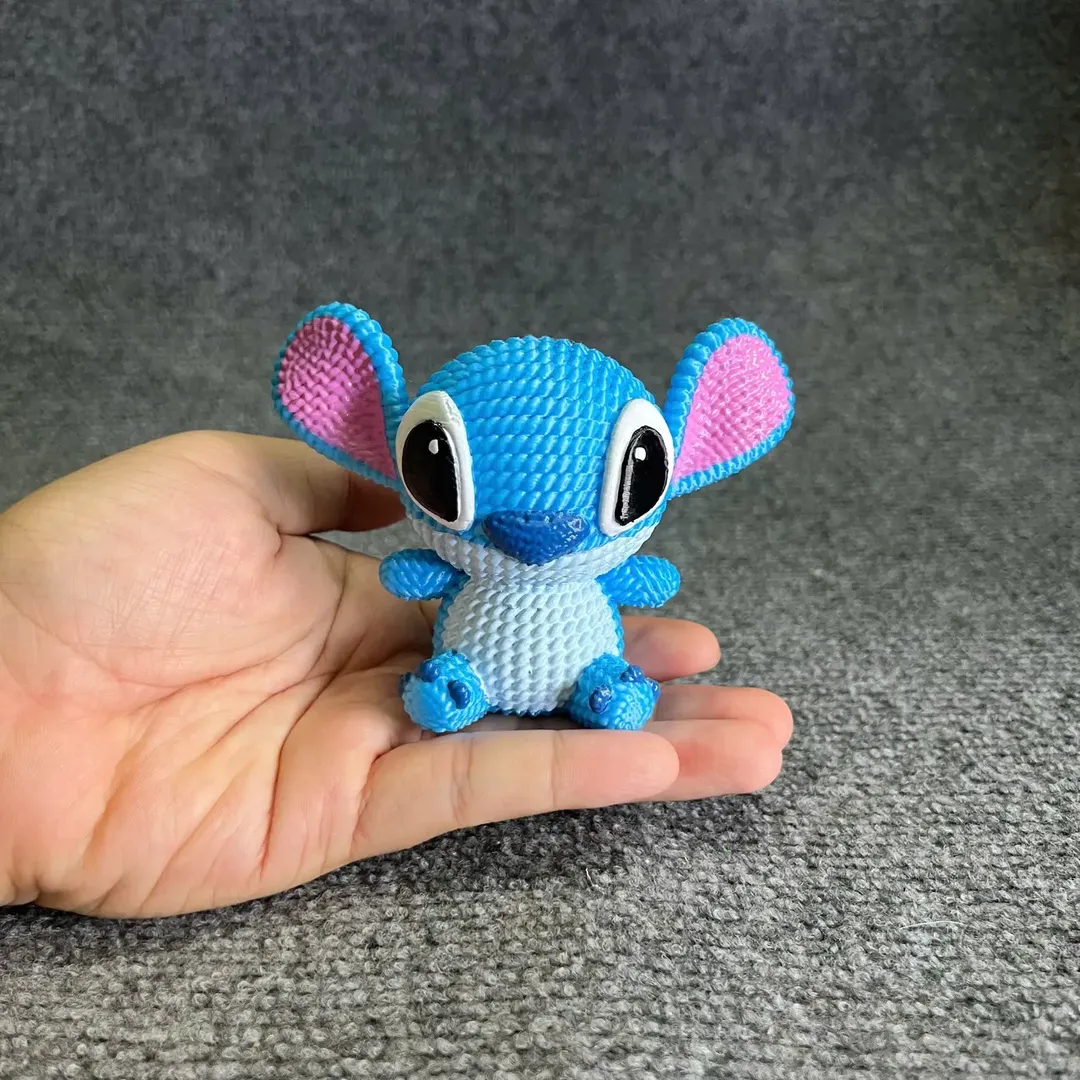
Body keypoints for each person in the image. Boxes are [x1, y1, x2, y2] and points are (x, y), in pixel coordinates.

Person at [0, 432, 792, 918]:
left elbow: (643, 580)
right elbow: (412, 575)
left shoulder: (585, 573)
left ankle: (599, 687)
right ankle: (461, 691)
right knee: (452, 685)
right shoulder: (457, 563)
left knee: (613, 687)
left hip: (582, 652)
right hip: (471, 656)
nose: (537, 530)